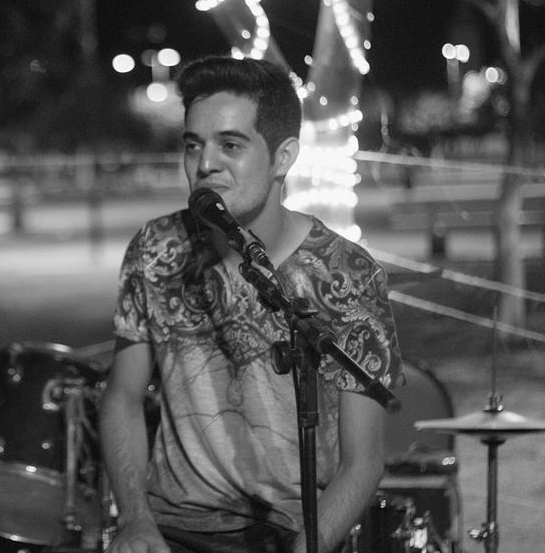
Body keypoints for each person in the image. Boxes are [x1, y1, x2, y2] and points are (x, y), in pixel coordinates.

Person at [98, 56, 403, 553]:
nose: (205, 164)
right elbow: (122, 398)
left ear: (283, 158)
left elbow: (363, 460)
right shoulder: (156, 249)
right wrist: (134, 520)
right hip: (174, 531)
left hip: (296, 533)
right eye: (193, 145)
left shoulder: (348, 274)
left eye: (231, 145)